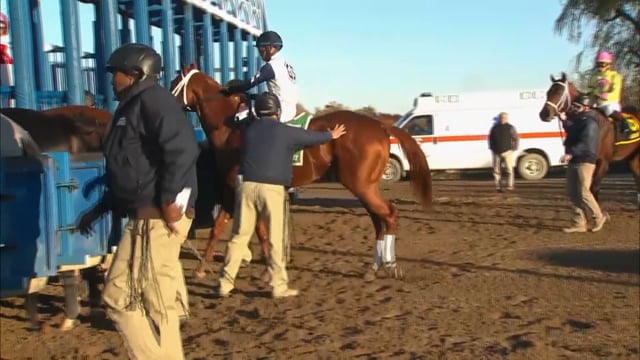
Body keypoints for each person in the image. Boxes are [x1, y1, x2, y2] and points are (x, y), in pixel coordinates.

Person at [77, 43, 199, 359]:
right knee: (159, 301)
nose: (111, 80)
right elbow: (132, 169)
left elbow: (183, 148)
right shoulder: (133, 106)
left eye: (115, 73)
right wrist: (101, 208)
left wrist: (171, 199)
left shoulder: (153, 101)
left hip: (155, 217)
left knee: (118, 296)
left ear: (134, 73)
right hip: (148, 214)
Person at [218, 92, 346, 298]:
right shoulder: (286, 131)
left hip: (247, 186)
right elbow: (311, 138)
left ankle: (225, 283)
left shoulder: (248, 130)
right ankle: (279, 286)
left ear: (258, 111)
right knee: (276, 238)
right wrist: (331, 135)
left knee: (239, 236)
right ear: (277, 111)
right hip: (272, 190)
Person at [220, 31, 299, 124]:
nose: (260, 53)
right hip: (287, 106)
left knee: (242, 116)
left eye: (261, 49)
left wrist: (229, 89)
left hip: (281, 108)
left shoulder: (271, 66)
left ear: (271, 48)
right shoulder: (284, 63)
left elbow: (249, 84)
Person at [560, 94, 609, 233]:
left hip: (585, 160)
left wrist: (570, 153)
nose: (574, 108)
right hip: (575, 160)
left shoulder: (590, 123)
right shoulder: (580, 120)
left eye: (577, 106)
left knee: (583, 192)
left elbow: (585, 143)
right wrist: (564, 121)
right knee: (572, 192)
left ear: (586, 107)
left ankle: (598, 217)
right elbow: (573, 129)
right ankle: (579, 223)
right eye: (574, 106)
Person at [588, 51, 628, 133]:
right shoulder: (593, 77)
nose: (600, 66)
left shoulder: (615, 76)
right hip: (597, 102)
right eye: (598, 64)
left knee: (608, 109)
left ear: (609, 64)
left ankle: (624, 123)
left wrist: (607, 96)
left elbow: (616, 92)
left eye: (602, 64)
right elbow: (591, 90)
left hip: (610, 102)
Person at [488, 112, 519, 192]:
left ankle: (510, 186)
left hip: (507, 152)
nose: (503, 118)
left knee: (509, 170)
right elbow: (490, 139)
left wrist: (514, 148)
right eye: (502, 117)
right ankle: (498, 187)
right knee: (496, 171)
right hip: (496, 152)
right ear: (499, 118)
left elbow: (516, 138)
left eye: (505, 117)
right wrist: (492, 148)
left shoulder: (510, 127)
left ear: (507, 118)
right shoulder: (494, 128)